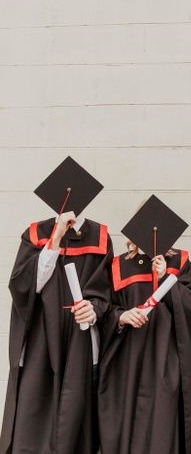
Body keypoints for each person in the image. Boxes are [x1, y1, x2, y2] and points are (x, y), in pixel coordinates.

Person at [0, 156, 113, 454]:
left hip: (79, 340)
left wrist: (94, 308)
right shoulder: (37, 233)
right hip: (41, 338)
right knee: (33, 414)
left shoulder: (101, 237)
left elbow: (105, 293)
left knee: (75, 420)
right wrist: (56, 237)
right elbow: (23, 286)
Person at [98, 195, 191, 454]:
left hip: (166, 361)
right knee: (127, 426)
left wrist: (167, 277)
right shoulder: (119, 265)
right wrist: (122, 317)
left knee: (162, 427)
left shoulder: (180, 263)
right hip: (128, 361)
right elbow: (104, 308)